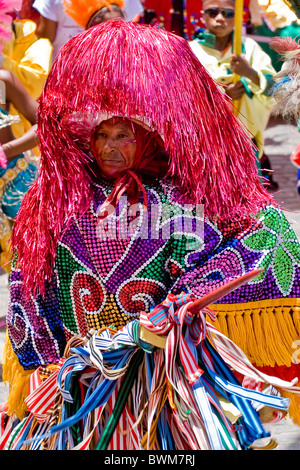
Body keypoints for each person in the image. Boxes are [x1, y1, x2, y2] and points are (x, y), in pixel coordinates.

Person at [1, 20, 300, 451]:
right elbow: (26, 277)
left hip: (164, 387)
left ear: (147, 141)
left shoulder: (180, 203)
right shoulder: (56, 202)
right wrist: (47, 363)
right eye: (101, 136)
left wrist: (175, 310)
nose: (108, 147)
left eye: (123, 136)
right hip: (80, 388)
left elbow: (248, 242)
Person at [189, 0, 277, 189]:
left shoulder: (250, 48)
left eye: (228, 13)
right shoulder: (190, 51)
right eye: (213, 12)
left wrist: (249, 74)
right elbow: (179, 97)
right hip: (203, 148)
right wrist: (220, 96)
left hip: (243, 144)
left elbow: (274, 88)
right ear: (203, 15)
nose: (220, 18)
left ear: (238, 17)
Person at [0, 69, 39, 273]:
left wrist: (5, 150)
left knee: (29, 268)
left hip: (16, 185)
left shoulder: (2, 82)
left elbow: (45, 125)